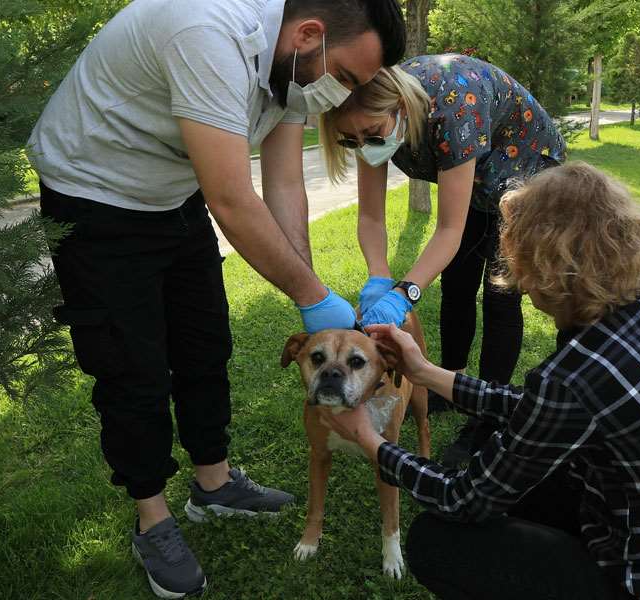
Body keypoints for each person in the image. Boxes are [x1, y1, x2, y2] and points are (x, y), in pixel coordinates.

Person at [28, 0, 405, 596]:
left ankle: (214, 484)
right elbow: (232, 199)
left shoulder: (292, 68)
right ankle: (152, 517)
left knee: (206, 343)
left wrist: (310, 295)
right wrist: (314, 298)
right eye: (349, 78)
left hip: (173, 194)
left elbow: (282, 185)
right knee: (133, 366)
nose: (343, 96)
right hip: (96, 194)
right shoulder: (206, 29)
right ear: (310, 35)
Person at [323, 162, 640, 599]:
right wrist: (427, 373)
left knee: (437, 541)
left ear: (544, 266)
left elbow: (463, 498)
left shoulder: (577, 375)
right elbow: (541, 412)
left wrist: (370, 440)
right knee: (520, 474)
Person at [319, 55, 566, 465]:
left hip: (526, 173)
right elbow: (370, 215)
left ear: (400, 107)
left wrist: (404, 293)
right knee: (456, 283)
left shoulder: (453, 109)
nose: (363, 145)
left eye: (370, 134)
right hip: (477, 178)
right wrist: (379, 276)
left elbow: (448, 229)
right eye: (350, 140)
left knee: (499, 297)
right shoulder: (366, 116)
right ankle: (448, 384)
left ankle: (487, 420)